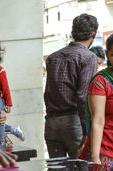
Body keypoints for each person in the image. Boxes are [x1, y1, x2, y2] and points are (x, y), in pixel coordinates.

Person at [44, 13, 98, 159]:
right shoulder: (88, 57)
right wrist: (87, 130)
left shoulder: (53, 57)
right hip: (74, 123)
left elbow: (47, 92)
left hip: (51, 123)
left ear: (73, 33)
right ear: (94, 33)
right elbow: (82, 96)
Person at [79, 34, 113, 167]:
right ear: (107, 53)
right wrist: (95, 157)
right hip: (106, 151)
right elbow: (97, 121)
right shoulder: (101, 81)